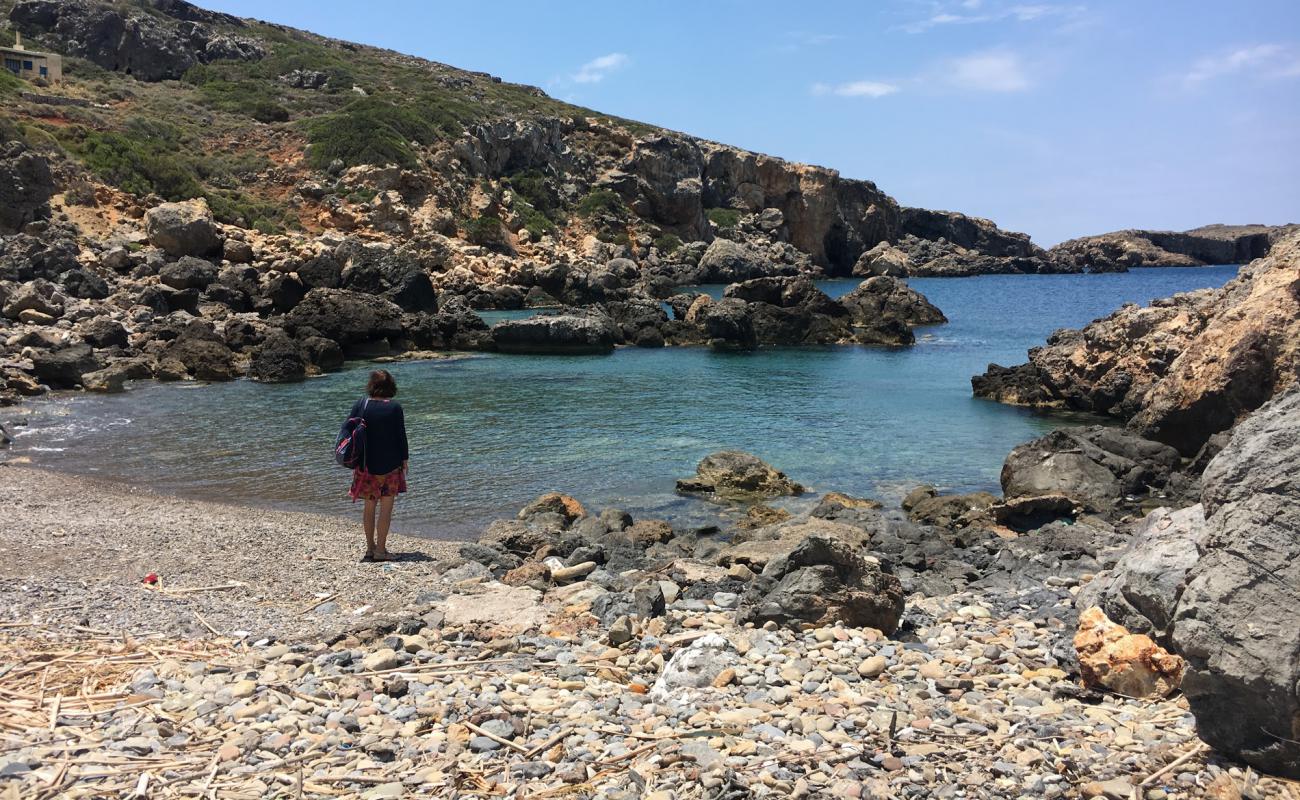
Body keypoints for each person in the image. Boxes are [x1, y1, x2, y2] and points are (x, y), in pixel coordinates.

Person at [347, 369, 409, 562]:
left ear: (371, 386)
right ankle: (381, 551)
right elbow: (401, 437)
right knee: (386, 509)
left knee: (369, 507)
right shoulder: (394, 408)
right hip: (390, 465)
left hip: (365, 465)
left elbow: (348, 429)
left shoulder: (361, 405)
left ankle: (370, 549)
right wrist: (404, 460)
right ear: (391, 387)